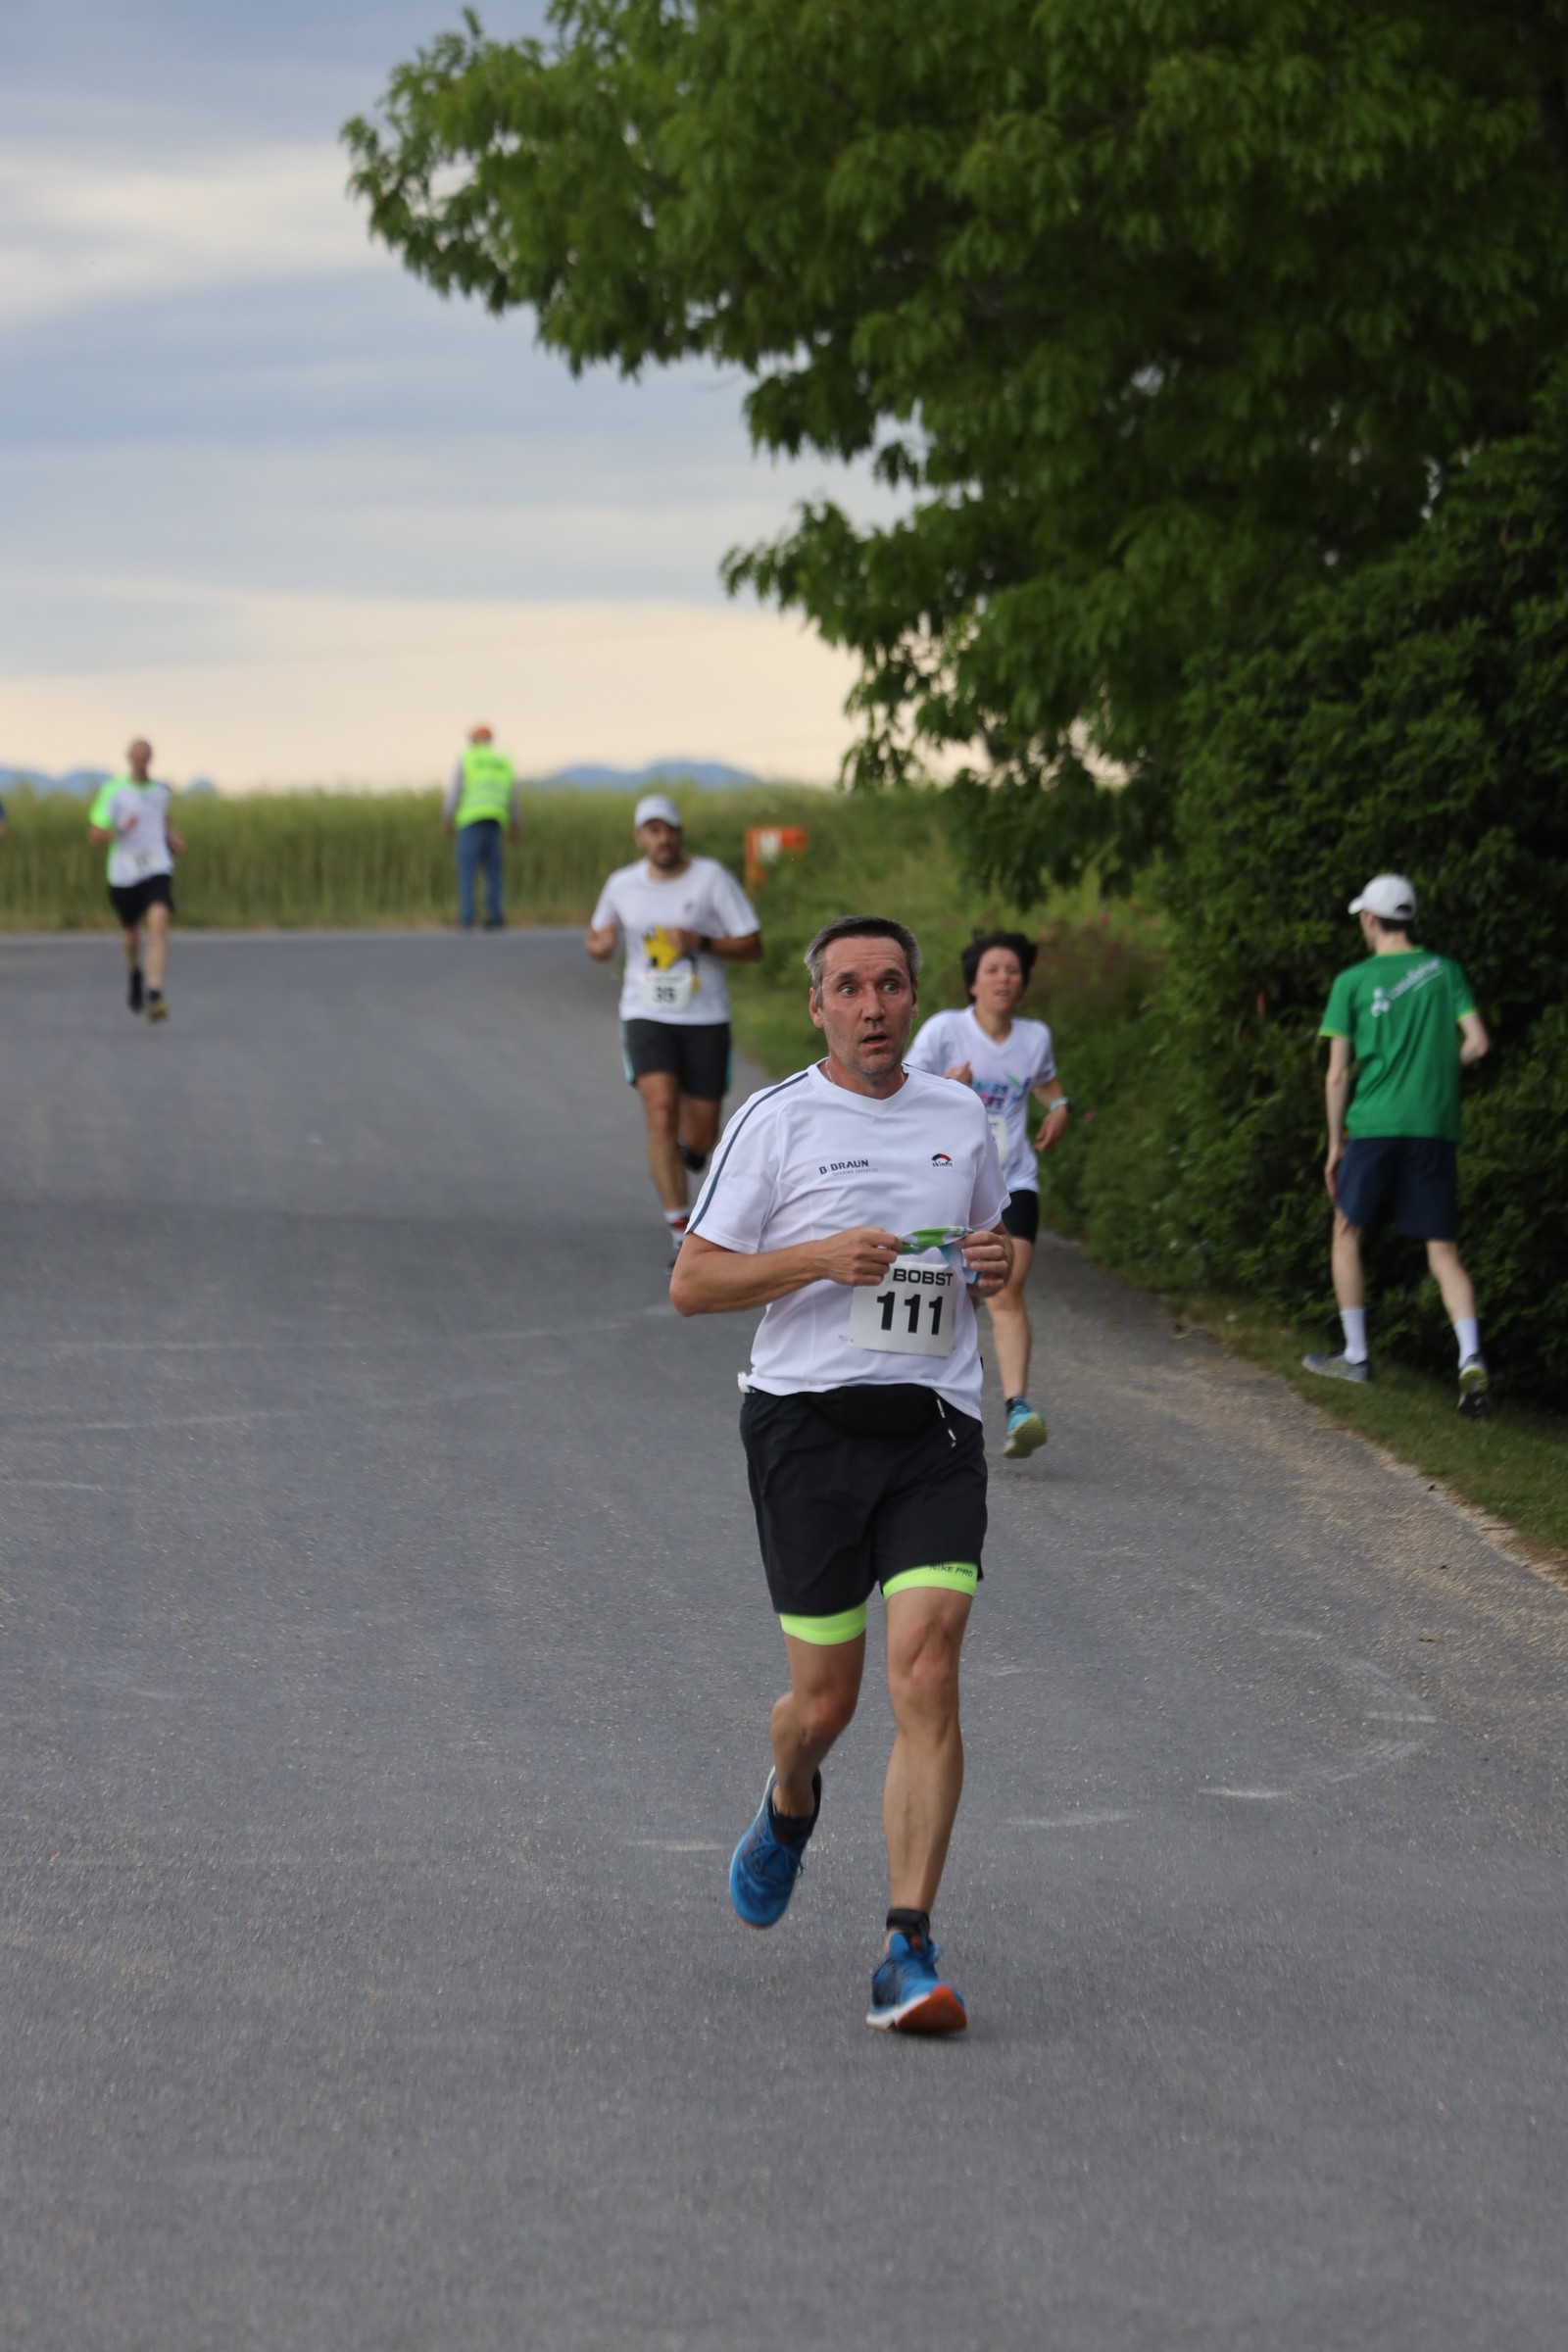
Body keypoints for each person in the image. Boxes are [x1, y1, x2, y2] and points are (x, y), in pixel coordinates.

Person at [671, 914, 1012, 2034]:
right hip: (805, 1429)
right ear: (816, 1006)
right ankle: (789, 1796)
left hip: (933, 1428)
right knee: (825, 1704)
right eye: (851, 988)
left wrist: (998, 1261)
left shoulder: (959, 1116)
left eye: (892, 985)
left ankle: (906, 1947)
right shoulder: (775, 1120)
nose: (873, 1006)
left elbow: (990, 1252)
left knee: (928, 1672)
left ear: (915, 1000)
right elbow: (692, 1283)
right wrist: (818, 1257)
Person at [1303, 872, 1493, 1417]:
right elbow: (1478, 1043)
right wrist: (1436, 1071)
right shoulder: (1445, 971)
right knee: (1443, 1252)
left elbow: (1336, 1075)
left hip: (1374, 1124)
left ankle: (1356, 1356)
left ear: (1370, 919)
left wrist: (1334, 1144)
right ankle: (1471, 1358)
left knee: (1346, 1232)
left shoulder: (1352, 981)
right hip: (1433, 1125)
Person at [906, 928, 1068, 1458]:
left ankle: (1018, 1408)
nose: (1004, 979)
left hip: (1013, 1180)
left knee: (1005, 1286)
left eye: (1014, 971)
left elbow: (1044, 1081)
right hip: (950, 1179)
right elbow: (902, 1092)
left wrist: (1060, 1106)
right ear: (973, 983)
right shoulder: (944, 1031)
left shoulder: (1035, 1037)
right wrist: (947, 1086)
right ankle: (932, 1387)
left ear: (1023, 984)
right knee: (956, 1290)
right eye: (993, 970)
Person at [586, 794, 761, 1261]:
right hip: (644, 1012)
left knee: (701, 1137)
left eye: (669, 829)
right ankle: (681, 1232)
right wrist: (599, 947)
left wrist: (700, 941)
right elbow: (597, 938)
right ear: (640, 837)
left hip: (705, 1016)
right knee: (660, 1110)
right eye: (653, 830)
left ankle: (689, 1150)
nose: (662, 838)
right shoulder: (621, 884)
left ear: (680, 834)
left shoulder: (711, 879)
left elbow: (752, 944)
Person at [87, 740, 185, 1022]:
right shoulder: (114, 791)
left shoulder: (161, 791)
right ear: (129, 758)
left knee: (159, 923)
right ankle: (134, 972)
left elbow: (162, 820)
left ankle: (155, 993)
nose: (142, 761)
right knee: (131, 935)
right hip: (125, 874)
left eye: (146, 756)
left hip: (157, 868)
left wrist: (173, 837)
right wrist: (119, 830)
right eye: (137, 756)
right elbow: (95, 835)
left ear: (151, 758)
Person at [442, 724, 520, 930]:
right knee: (494, 872)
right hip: (495, 821)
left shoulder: (468, 758)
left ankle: (467, 916)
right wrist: (516, 823)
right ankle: (495, 915)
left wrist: (447, 816)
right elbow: (513, 795)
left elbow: (455, 790)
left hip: (470, 820)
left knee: (467, 870)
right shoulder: (502, 761)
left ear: (474, 740)